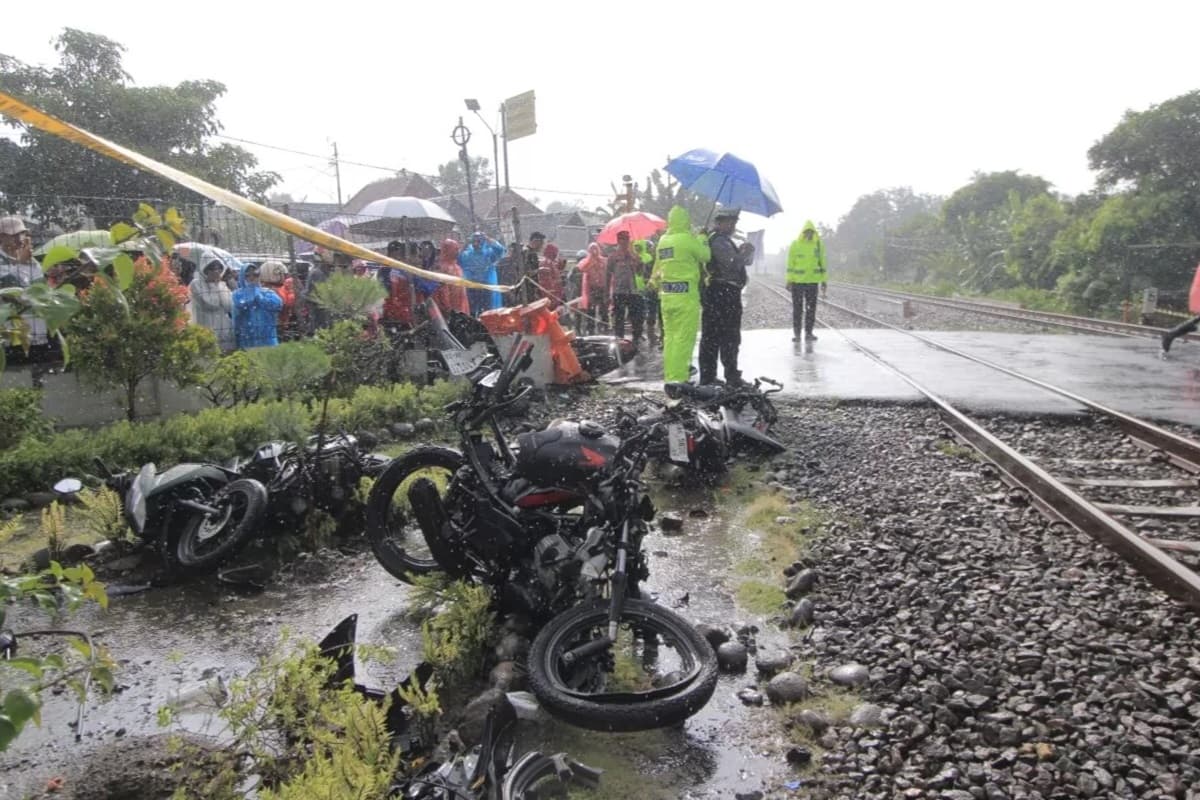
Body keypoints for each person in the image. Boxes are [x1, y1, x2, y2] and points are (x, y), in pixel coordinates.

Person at [649, 206, 710, 384]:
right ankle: (680, 379)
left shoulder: (663, 241)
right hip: (685, 298)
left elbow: (657, 267)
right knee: (684, 339)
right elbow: (705, 256)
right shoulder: (687, 239)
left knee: (670, 339)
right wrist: (703, 238)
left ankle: (671, 376)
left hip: (667, 298)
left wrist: (653, 282)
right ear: (685, 221)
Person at [698, 208, 754, 385]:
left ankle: (714, 376)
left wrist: (745, 252)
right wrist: (743, 253)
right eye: (729, 222)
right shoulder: (718, 242)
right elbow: (732, 264)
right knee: (725, 337)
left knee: (716, 337)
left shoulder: (722, 241)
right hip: (723, 293)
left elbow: (741, 262)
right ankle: (726, 377)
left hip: (722, 293)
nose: (732, 225)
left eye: (734, 222)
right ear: (719, 223)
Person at [786, 220, 827, 342]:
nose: (809, 234)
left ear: (814, 232)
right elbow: (790, 264)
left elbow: (823, 264)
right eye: (807, 232)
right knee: (797, 309)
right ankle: (797, 334)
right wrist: (789, 280)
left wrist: (824, 281)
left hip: (812, 282)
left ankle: (809, 333)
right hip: (797, 283)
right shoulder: (795, 244)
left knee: (811, 309)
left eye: (811, 232)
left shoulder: (818, 245)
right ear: (803, 232)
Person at [233, 263, 283, 349]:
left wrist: (260, 298)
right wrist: (252, 298)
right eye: (247, 275)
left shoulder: (267, 292)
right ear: (242, 276)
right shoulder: (238, 294)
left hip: (268, 337)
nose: (252, 277)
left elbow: (278, 305)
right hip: (247, 337)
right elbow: (239, 308)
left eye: (255, 274)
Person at [190, 259, 235, 350]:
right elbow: (210, 303)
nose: (217, 272)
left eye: (219, 269)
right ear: (206, 270)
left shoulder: (222, 285)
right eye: (213, 269)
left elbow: (229, 306)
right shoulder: (196, 284)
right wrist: (214, 285)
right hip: (205, 328)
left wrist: (218, 285)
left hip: (224, 329)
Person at [608, 231, 645, 342]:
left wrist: (639, 262)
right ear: (618, 241)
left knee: (636, 319)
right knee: (619, 319)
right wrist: (606, 294)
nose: (625, 242)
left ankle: (636, 340)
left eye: (627, 239)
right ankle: (620, 341)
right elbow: (607, 275)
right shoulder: (613, 257)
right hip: (619, 291)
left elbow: (639, 273)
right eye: (623, 239)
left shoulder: (634, 255)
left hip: (633, 291)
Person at [457, 232, 505, 315]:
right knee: (472, 311)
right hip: (471, 287)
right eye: (474, 241)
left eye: (479, 241)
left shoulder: (489, 253)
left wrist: (488, 239)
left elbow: (500, 250)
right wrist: (465, 245)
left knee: (487, 311)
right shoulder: (467, 254)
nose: (476, 243)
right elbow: (457, 258)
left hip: (486, 287)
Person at [431, 239, 470, 316]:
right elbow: (442, 291)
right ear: (449, 250)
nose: (458, 252)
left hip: (460, 306)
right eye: (455, 249)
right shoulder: (442, 268)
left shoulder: (457, 267)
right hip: (451, 309)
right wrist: (447, 309)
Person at [259, 260, 296, 341]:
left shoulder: (260, 290)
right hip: (277, 327)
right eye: (283, 274)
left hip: (270, 327)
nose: (285, 276)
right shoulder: (275, 291)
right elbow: (287, 305)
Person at [578, 242, 608, 334]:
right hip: (592, 289)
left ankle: (605, 328)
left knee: (604, 310)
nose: (594, 251)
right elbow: (582, 268)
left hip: (602, 288)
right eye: (592, 249)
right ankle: (590, 329)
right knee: (591, 310)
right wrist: (591, 262)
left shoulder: (603, 261)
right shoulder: (586, 261)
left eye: (596, 249)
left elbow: (609, 270)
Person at [635, 239, 660, 347]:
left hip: (652, 289)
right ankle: (650, 334)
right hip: (649, 289)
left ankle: (651, 333)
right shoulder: (648, 260)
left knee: (651, 312)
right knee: (650, 312)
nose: (651, 250)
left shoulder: (653, 260)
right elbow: (643, 275)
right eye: (650, 248)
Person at [521, 232, 546, 305]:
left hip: (530, 288)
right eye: (541, 243)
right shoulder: (528, 253)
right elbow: (526, 272)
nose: (542, 246)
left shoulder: (530, 253)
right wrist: (540, 270)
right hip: (527, 289)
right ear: (535, 241)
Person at [537, 243, 565, 308]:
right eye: (555, 253)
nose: (556, 255)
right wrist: (551, 296)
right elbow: (545, 283)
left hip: (555, 296)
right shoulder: (546, 263)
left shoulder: (551, 262)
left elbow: (557, 269)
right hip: (551, 297)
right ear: (552, 252)